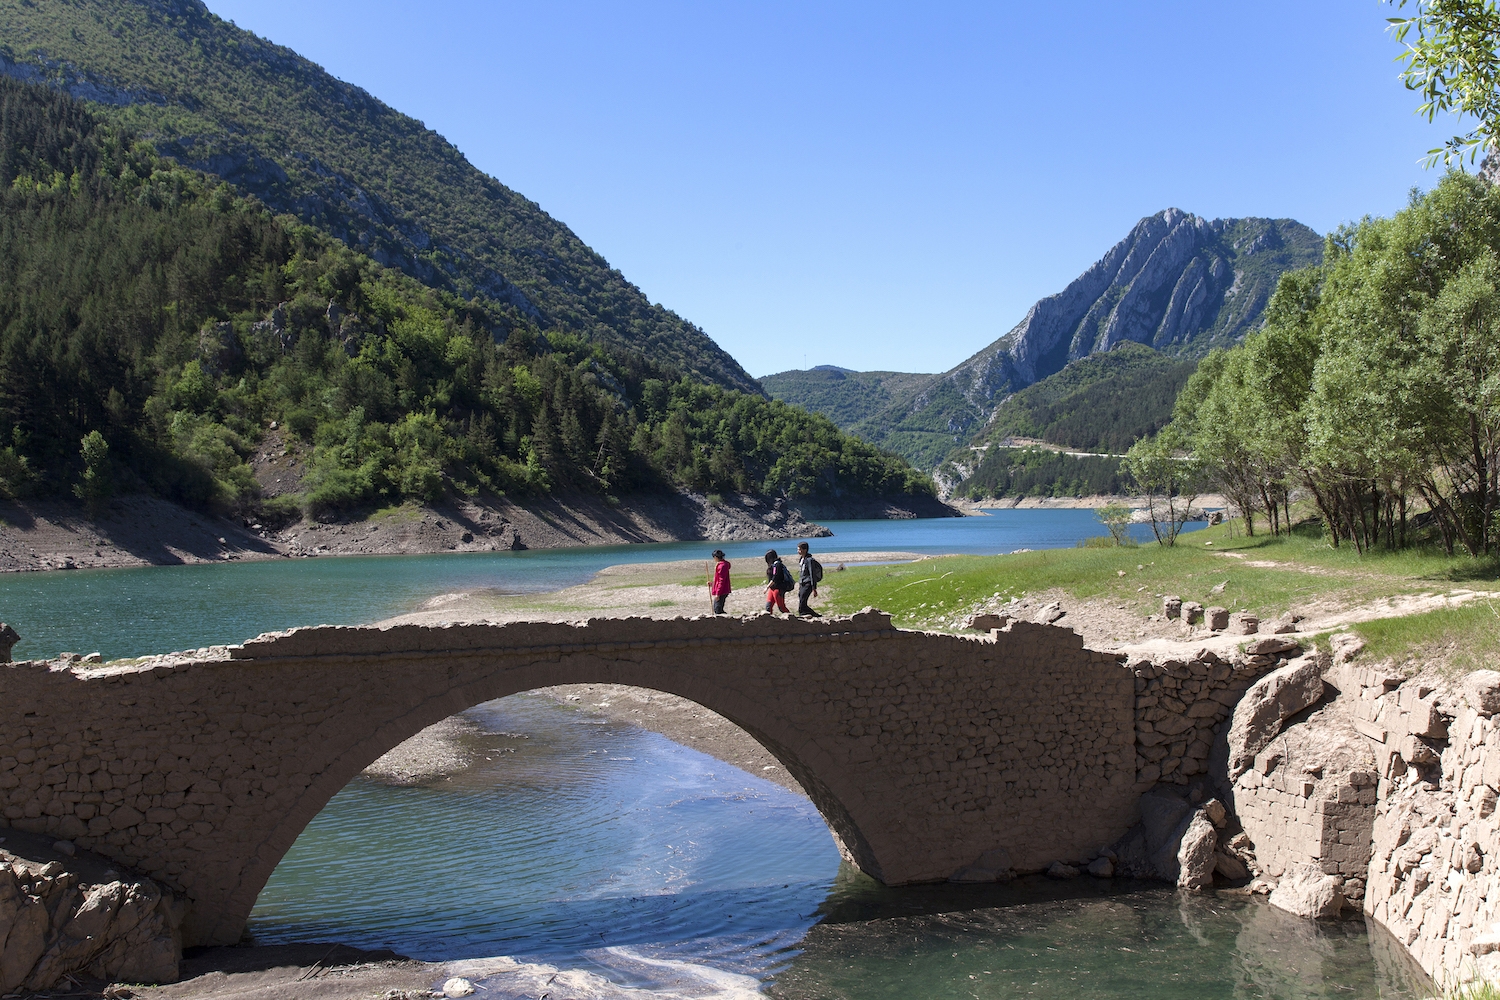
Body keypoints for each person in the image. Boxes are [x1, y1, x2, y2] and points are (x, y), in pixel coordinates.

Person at [796, 541, 822, 617]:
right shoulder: (801, 559)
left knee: (802, 605)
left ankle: (814, 616)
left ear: (805, 550)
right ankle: (816, 616)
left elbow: (812, 574)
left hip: (808, 584)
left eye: (799, 549)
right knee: (802, 603)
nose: (798, 551)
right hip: (802, 583)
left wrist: (814, 588)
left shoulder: (809, 560)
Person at [763, 549, 791, 614]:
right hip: (772, 589)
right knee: (768, 607)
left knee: (781, 607)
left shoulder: (777, 565)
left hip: (778, 589)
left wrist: (767, 587)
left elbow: (775, 577)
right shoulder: (772, 565)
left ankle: (792, 620)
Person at [708, 549, 731, 615]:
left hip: (722, 591)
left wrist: (718, 593)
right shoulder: (722, 565)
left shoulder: (722, 566)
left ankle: (726, 621)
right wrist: (712, 584)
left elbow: (722, 580)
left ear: (716, 557)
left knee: (717, 609)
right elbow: (718, 579)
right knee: (718, 608)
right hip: (722, 590)